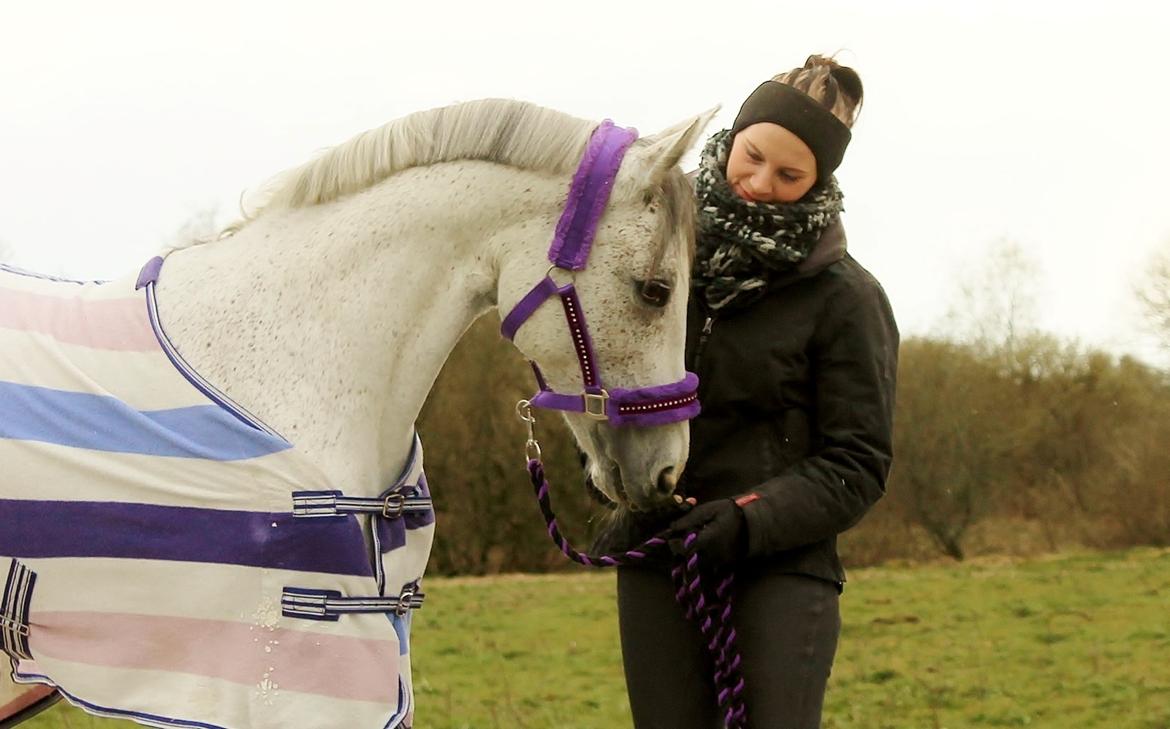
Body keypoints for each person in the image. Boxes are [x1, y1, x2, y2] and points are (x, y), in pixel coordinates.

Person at [601, 54, 899, 729]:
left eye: (790, 174)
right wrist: (612, 478)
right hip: (660, 560)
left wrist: (745, 519)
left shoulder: (849, 300)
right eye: (752, 156)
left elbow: (857, 464)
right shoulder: (657, 266)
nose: (761, 182)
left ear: (821, 179)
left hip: (782, 569)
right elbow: (612, 393)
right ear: (732, 140)